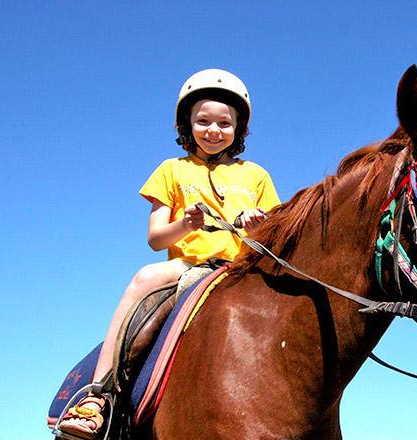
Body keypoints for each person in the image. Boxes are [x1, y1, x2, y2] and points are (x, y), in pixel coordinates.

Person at [57, 69, 281, 439]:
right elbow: (156, 239)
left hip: (241, 269)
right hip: (188, 268)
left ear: (238, 128)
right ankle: (96, 398)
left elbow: (272, 232)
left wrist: (260, 227)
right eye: (203, 120)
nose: (213, 130)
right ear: (187, 124)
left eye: (225, 123)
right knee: (145, 277)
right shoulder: (171, 170)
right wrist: (187, 224)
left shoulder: (256, 175)